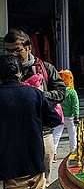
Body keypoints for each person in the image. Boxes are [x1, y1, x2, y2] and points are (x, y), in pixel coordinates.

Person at [0, 55, 62, 189]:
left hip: (5, 168)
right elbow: (55, 119)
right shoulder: (34, 94)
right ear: (20, 73)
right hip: (33, 162)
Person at [4, 29, 66, 177]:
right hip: (12, 134)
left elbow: (61, 92)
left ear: (28, 48)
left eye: (17, 50)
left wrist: (37, 95)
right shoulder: (3, 70)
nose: (12, 55)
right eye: (8, 51)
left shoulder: (45, 68)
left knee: (42, 179)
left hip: (41, 132)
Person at [52, 70, 79, 159]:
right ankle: (73, 151)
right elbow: (75, 105)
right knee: (72, 134)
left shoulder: (59, 91)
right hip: (70, 117)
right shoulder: (72, 92)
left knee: (56, 134)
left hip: (60, 116)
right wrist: (76, 116)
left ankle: (54, 153)